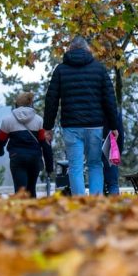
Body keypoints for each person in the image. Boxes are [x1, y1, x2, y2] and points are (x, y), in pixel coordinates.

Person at [44, 36, 121, 196]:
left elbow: (51, 99)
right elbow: (109, 99)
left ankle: (80, 203)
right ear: (88, 50)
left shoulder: (60, 70)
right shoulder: (99, 69)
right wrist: (113, 126)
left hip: (71, 126)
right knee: (95, 164)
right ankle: (96, 201)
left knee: (75, 166)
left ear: (69, 50)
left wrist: (48, 127)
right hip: (95, 126)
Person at [0, 92, 54, 198]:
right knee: (31, 189)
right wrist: (49, 166)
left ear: (17, 104)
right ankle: (32, 212)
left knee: (20, 191)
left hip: (17, 158)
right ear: (31, 104)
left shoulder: (7, 120)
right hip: (34, 158)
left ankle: (20, 213)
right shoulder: (39, 120)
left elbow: (0, 140)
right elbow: (46, 145)